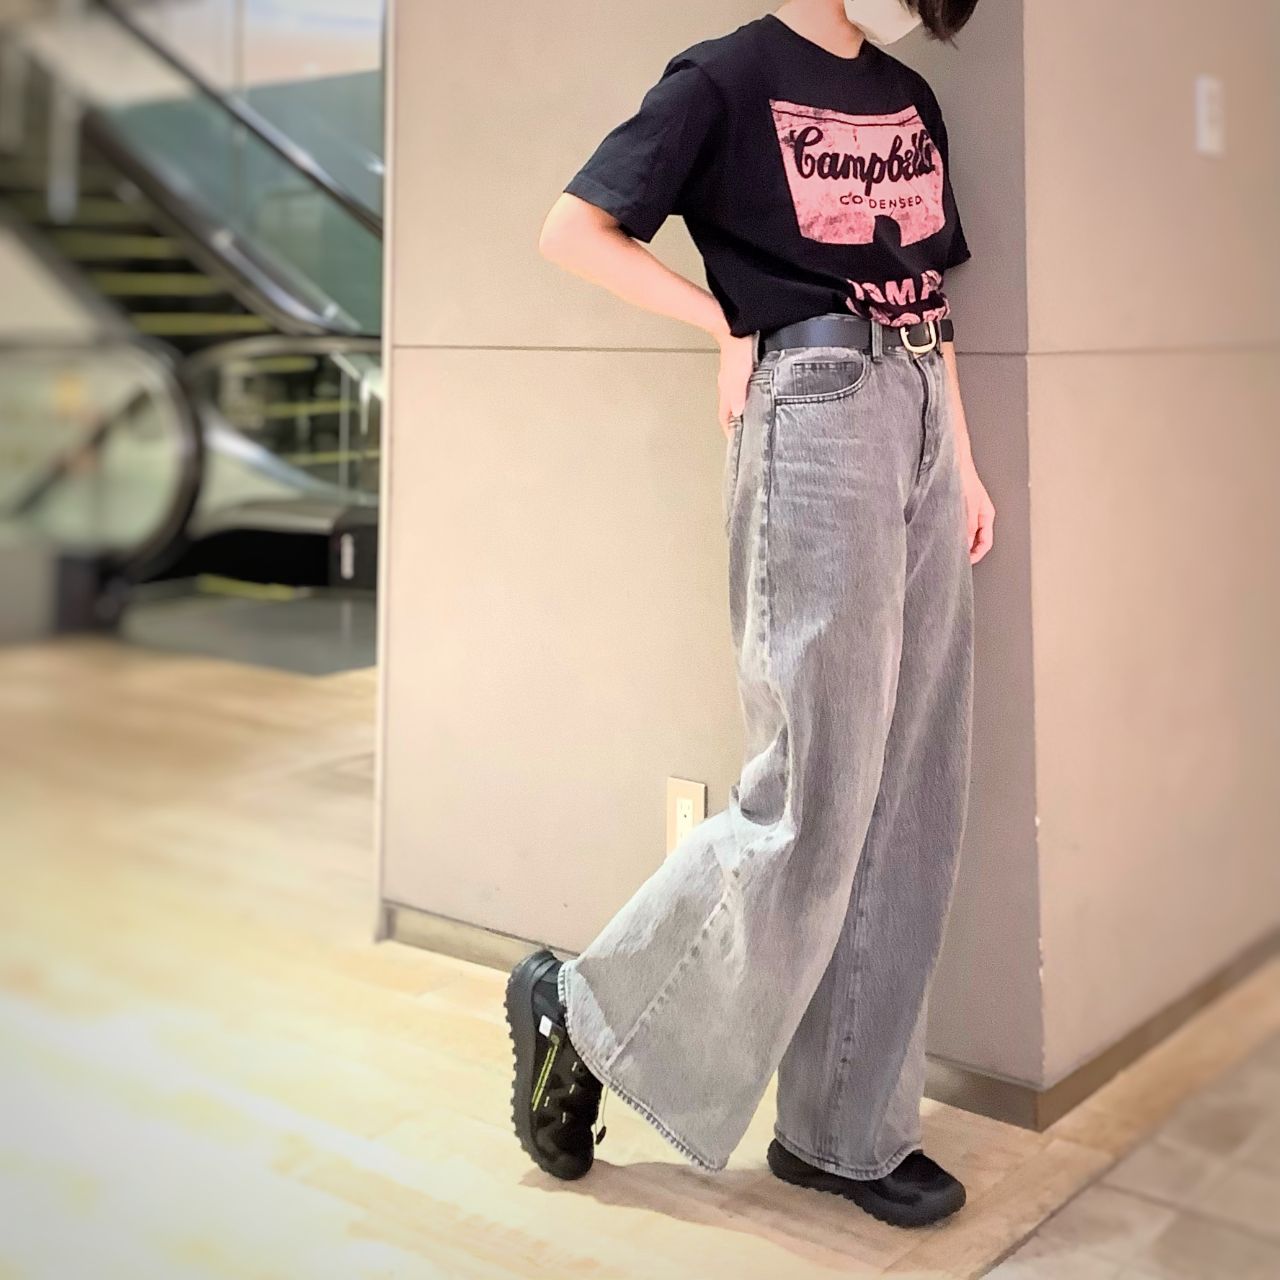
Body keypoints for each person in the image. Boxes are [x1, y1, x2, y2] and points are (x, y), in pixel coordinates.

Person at [505, 0, 994, 1229]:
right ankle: (581, 1009)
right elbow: (574, 229)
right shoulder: (727, 76)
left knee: (910, 793)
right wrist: (724, 319)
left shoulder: (908, 99)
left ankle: (843, 1132)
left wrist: (963, 461)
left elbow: (929, 298)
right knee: (811, 792)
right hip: (816, 406)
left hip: (918, 415)